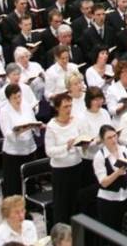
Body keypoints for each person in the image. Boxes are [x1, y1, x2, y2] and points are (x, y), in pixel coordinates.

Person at [45, 92, 84, 225]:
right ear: (57, 108)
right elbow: (49, 151)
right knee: (62, 205)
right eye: (65, 107)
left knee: (76, 202)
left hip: (77, 166)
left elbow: (80, 138)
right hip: (61, 170)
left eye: (70, 106)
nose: (68, 110)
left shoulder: (76, 121)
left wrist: (83, 143)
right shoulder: (52, 126)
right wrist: (65, 147)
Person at [0, 83, 39, 195]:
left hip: (29, 148)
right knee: (14, 183)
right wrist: (19, 131)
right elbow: (7, 133)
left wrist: (37, 126)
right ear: (8, 98)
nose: (18, 99)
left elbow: (33, 120)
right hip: (13, 153)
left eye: (19, 96)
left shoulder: (25, 105)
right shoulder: (4, 111)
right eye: (14, 98)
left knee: (29, 180)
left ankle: (29, 204)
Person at [94, 124, 127, 232]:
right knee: (110, 233)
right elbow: (103, 182)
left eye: (114, 136)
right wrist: (118, 173)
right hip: (108, 200)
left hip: (125, 196)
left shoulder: (123, 150)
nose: (113, 140)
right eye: (109, 138)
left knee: (126, 230)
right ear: (103, 140)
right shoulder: (100, 156)